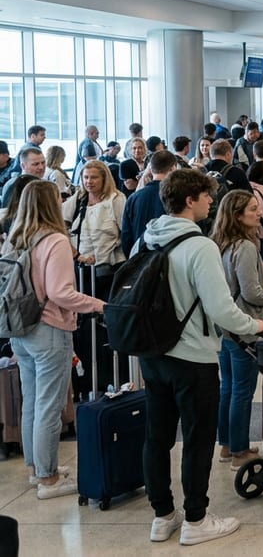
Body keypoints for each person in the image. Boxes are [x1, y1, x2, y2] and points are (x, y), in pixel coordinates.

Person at [137, 168, 263, 545]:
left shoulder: (146, 239)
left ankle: (162, 515)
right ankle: (196, 518)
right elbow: (221, 309)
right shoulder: (199, 246)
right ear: (189, 200)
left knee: (157, 437)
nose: (212, 200)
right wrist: (255, 325)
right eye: (206, 195)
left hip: (152, 353)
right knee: (197, 438)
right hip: (192, 356)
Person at [5, 181, 106, 500]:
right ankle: (48, 479)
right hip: (49, 328)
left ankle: (36, 468)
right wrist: (98, 305)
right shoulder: (55, 240)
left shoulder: (16, 238)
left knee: (32, 401)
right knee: (49, 404)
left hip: (19, 329)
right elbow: (61, 292)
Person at [211, 190, 263, 470]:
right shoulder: (246, 247)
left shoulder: (219, 245)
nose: (259, 213)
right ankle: (240, 451)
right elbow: (252, 292)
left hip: (225, 327)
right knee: (242, 390)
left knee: (228, 387)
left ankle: (227, 444)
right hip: (246, 327)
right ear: (237, 216)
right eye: (252, 209)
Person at [63, 160, 127, 296]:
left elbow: (125, 231)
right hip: (82, 266)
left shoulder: (116, 199)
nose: (89, 181)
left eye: (94, 177)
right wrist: (75, 253)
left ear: (104, 179)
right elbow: (60, 222)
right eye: (86, 177)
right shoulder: (79, 198)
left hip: (110, 267)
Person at [121, 150, 174, 258]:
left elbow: (126, 236)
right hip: (169, 257)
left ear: (150, 169)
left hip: (139, 258)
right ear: (173, 168)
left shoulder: (133, 198)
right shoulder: (177, 195)